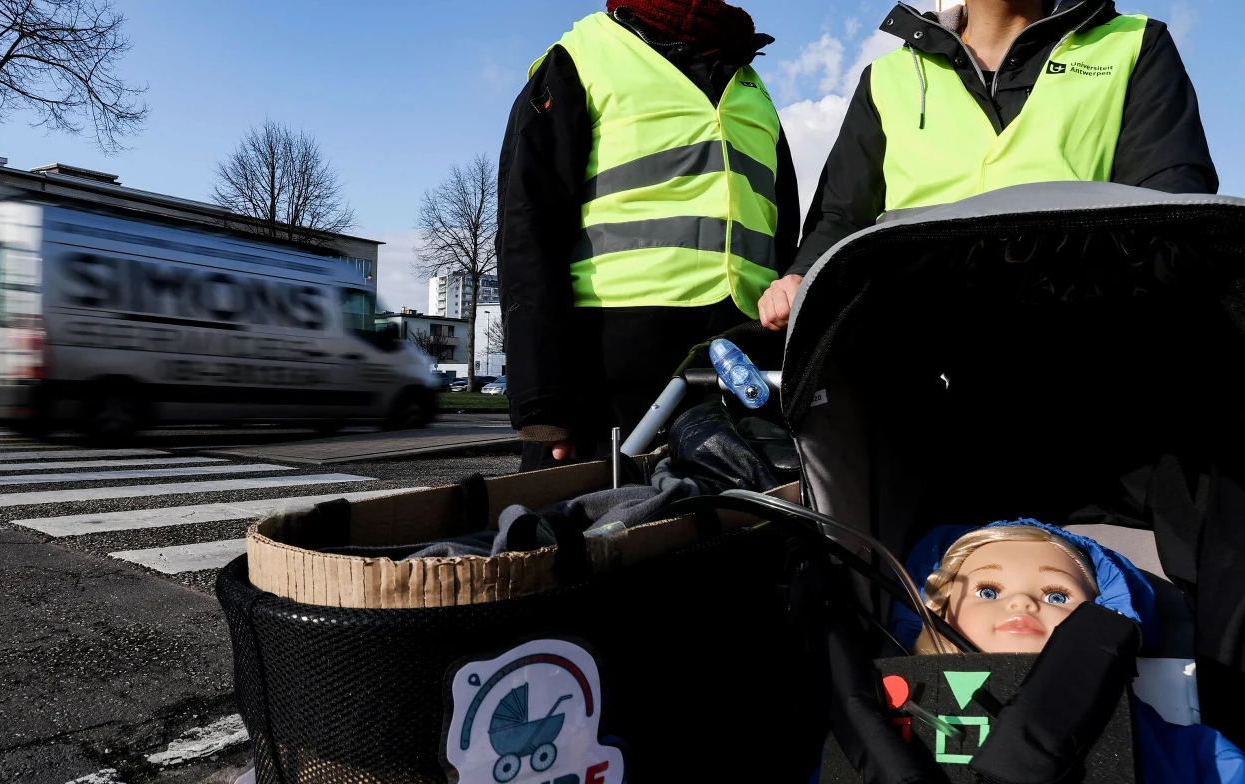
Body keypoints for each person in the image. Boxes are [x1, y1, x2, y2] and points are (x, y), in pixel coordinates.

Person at [740, 521, 1245, 784]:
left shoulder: (1167, 745)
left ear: (1106, 621)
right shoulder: (881, 714)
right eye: (987, 590)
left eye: (1057, 595)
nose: (1023, 601)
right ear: (934, 612)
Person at [757, 0, 1218, 332]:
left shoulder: (1134, 45)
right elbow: (841, 217)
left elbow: (1171, 217)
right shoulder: (886, 79)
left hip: (1086, 361)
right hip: (914, 369)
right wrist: (801, 276)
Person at [497, 0, 801, 472]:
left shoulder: (749, 85)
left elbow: (782, 226)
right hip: (608, 376)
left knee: (737, 533)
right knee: (593, 532)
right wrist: (544, 402)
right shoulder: (581, 57)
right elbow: (528, 227)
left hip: (740, 359)